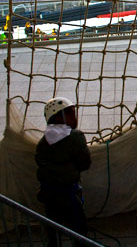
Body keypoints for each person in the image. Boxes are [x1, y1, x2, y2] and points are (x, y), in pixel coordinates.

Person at [36, 97, 91, 247]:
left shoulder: (43, 142)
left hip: (48, 193)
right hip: (69, 193)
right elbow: (85, 163)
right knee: (78, 229)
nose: (75, 118)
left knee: (53, 228)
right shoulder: (75, 137)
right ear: (59, 117)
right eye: (71, 114)